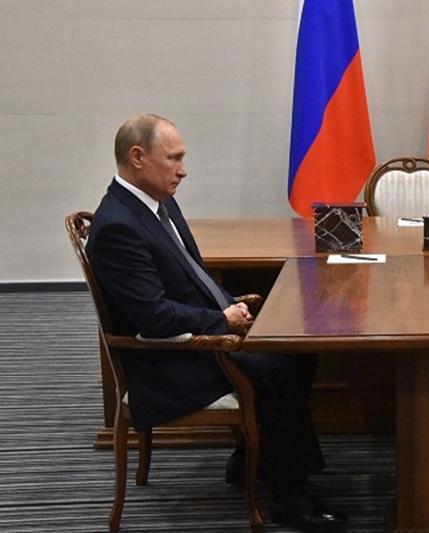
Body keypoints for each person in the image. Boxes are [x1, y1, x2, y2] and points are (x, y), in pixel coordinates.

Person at [87, 113, 346, 531]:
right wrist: (220, 319)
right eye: (173, 158)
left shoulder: (156, 204)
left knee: (297, 346)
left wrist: (231, 310)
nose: (183, 170)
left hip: (198, 336)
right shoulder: (119, 226)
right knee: (283, 363)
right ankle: (288, 494)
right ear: (137, 157)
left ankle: (254, 460)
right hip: (166, 364)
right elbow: (153, 317)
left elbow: (194, 278)